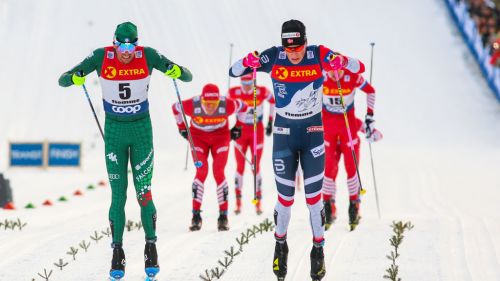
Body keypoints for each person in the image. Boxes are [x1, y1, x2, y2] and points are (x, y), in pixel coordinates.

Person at [229, 19, 365, 281]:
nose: (293, 53)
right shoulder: (273, 56)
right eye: (289, 48)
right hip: (283, 136)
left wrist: (342, 61)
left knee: (314, 201)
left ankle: (318, 250)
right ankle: (281, 245)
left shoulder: (318, 53)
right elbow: (233, 71)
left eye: (298, 47)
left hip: (313, 134)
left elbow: (359, 67)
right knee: (286, 199)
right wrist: (248, 61)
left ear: (305, 41)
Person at [58, 22, 192, 280]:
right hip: (114, 133)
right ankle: (117, 253)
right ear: (114, 43)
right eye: (122, 45)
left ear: (137, 44)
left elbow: (187, 76)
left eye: (132, 45)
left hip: (141, 131)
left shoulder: (148, 55)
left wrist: (176, 70)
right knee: (118, 196)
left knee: (144, 192)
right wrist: (75, 77)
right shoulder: (101, 56)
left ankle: (150, 247)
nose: (127, 51)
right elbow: (63, 79)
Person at [172, 83, 248, 231]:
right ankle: (196, 216)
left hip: (221, 137)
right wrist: (182, 128)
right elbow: (175, 107)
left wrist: (238, 126)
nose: (210, 107)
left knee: (219, 172)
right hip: (198, 138)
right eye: (207, 103)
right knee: (201, 172)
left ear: (219, 100)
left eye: (214, 103)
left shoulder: (227, 104)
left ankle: (223, 217)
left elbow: (244, 106)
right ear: (202, 99)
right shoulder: (193, 105)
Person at [321, 69, 382, 231]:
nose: (335, 75)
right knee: (328, 170)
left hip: (347, 128)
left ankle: (354, 207)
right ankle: (328, 207)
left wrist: (369, 117)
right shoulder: (321, 76)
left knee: (351, 168)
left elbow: (370, 91)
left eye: (338, 72)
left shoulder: (352, 76)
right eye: (331, 72)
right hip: (329, 130)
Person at [228, 73, 275, 215]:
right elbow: (225, 106)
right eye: (244, 84)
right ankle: (238, 202)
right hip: (241, 131)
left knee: (255, 166)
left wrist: (269, 122)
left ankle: (258, 202)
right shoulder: (234, 92)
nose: (247, 87)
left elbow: (273, 101)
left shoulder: (261, 91)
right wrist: (229, 126)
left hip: (256, 130)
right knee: (240, 166)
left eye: (249, 84)